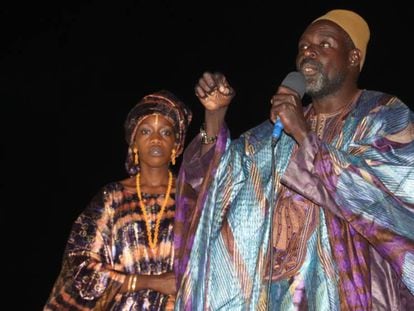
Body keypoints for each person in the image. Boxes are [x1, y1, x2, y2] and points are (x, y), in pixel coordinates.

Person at [174, 9, 414, 310]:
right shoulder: (273, 133)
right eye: (303, 46)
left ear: (353, 57)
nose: (308, 51)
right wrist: (214, 115)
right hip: (273, 295)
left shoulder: (384, 114)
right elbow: (212, 186)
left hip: (352, 293)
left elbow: (392, 198)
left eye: (324, 44)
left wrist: (303, 135)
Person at [44, 90, 192, 310]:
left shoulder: (190, 198)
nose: (155, 139)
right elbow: (79, 267)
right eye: (145, 131)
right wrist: (149, 282)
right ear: (133, 143)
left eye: (166, 132)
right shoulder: (111, 198)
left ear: (176, 146)